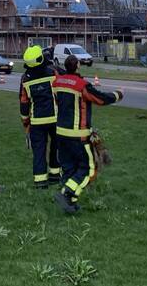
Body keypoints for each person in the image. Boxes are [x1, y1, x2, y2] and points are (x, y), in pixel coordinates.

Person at [51, 55, 123, 214]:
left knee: (69, 168)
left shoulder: (57, 82)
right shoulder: (82, 85)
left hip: (61, 133)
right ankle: (66, 194)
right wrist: (118, 94)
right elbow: (101, 99)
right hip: (78, 135)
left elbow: (58, 102)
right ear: (77, 66)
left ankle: (71, 203)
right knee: (89, 168)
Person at [19, 45, 60, 189]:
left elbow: (24, 103)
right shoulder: (53, 72)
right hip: (55, 119)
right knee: (56, 147)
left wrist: (26, 123)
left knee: (39, 151)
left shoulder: (25, 79)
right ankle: (55, 175)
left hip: (36, 122)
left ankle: (40, 181)